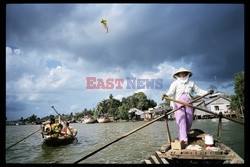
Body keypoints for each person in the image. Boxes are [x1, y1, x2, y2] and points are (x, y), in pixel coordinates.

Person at [162, 67, 214, 146]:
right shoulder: (175, 83)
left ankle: (184, 134)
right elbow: (170, 93)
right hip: (179, 104)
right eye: (180, 74)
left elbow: (199, 91)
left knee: (189, 121)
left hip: (189, 103)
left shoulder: (191, 83)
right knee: (181, 121)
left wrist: (207, 92)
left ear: (187, 74)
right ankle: (184, 139)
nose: (182, 75)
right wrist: (165, 95)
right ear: (178, 75)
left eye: (184, 73)